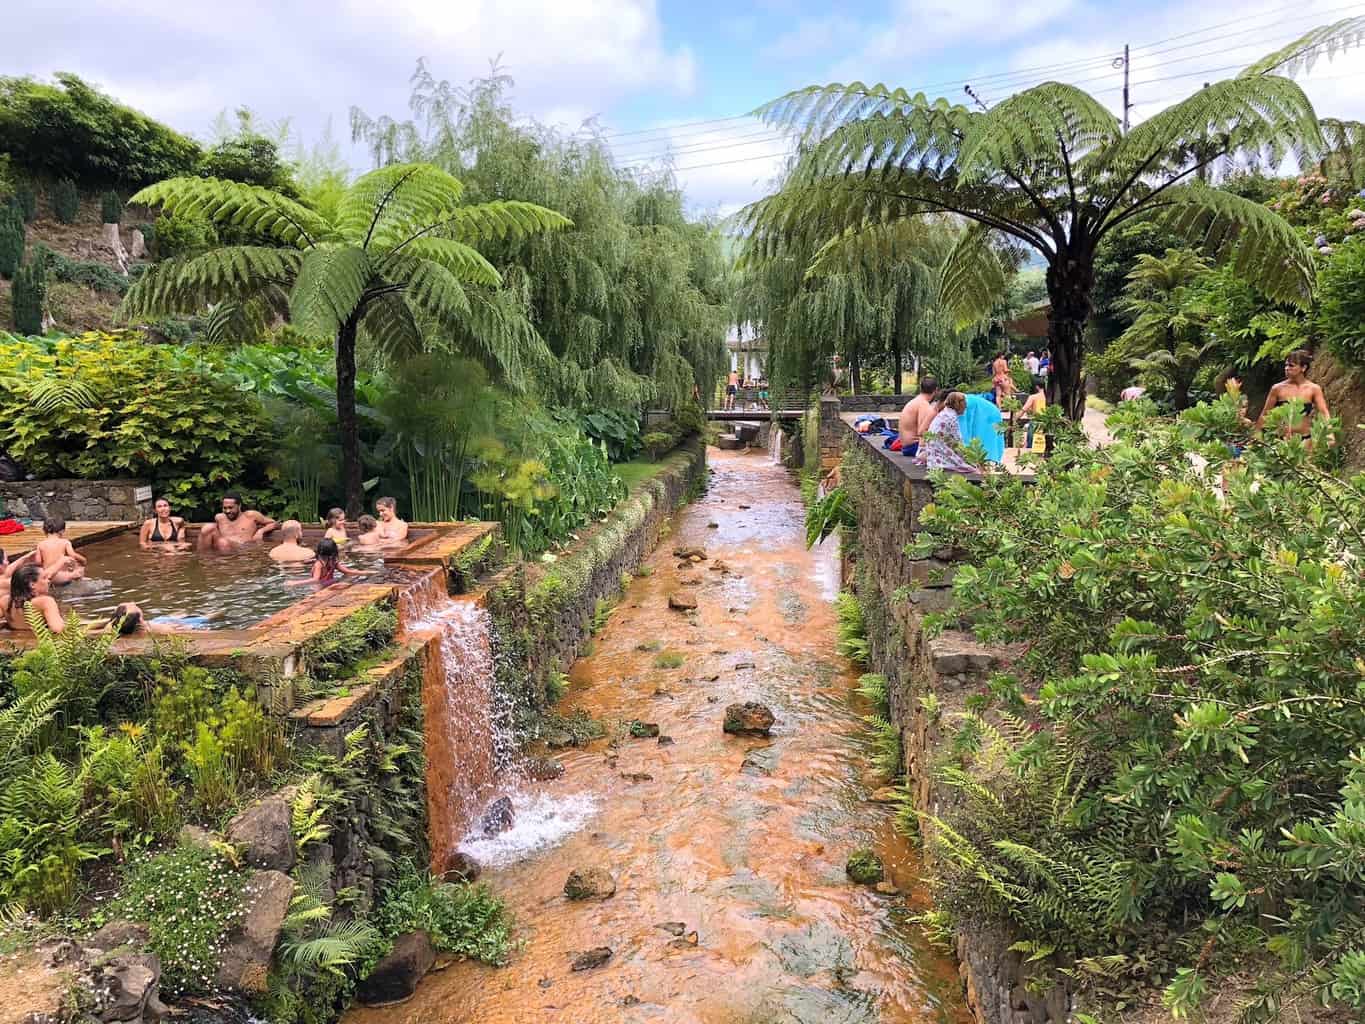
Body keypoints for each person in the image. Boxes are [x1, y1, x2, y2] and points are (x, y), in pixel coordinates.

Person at [1256, 349, 1331, 442]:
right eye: (1286, 365)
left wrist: (1330, 433)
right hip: (1282, 441)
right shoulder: (1277, 388)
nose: (1287, 368)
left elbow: (1324, 413)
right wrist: (1256, 436)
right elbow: (1265, 414)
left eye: (1291, 365)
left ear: (1303, 368)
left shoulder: (1313, 389)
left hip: (1305, 440)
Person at [918, 392, 978, 475]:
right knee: (973, 469)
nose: (966, 406)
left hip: (933, 454)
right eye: (965, 404)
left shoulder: (945, 413)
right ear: (959, 404)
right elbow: (958, 443)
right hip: (939, 454)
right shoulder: (952, 418)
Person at [197, 492, 277, 552]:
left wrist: (260, 531)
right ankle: (203, 559)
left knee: (223, 542)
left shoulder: (251, 515)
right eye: (225, 508)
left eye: (231, 507)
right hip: (223, 549)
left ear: (239, 506)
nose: (227, 511)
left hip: (243, 549)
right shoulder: (219, 517)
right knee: (208, 527)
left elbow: (274, 523)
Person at [2, 563, 65, 633]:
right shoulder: (45, 602)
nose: (48, 581)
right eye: (44, 578)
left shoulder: (4, 601)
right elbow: (58, 630)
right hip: (39, 642)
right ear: (32, 584)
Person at [290, 538, 367, 586]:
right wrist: (295, 583)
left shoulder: (333, 562)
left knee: (347, 577)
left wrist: (367, 572)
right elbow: (315, 580)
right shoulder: (319, 564)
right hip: (318, 586)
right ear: (334, 552)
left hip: (329, 583)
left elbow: (348, 572)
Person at [34, 516, 87, 585]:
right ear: (62, 531)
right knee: (78, 570)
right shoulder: (65, 542)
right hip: (62, 576)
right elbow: (72, 555)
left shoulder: (41, 544)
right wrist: (83, 560)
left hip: (48, 576)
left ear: (44, 530)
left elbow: (38, 562)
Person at [898, 376, 939, 457]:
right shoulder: (924, 405)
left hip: (906, 445)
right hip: (912, 447)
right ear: (936, 390)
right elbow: (923, 432)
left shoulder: (915, 401)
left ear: (921, 388)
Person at [1018, 376, 1047, 450]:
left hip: (1035, 423)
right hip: (1046, 423)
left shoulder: (1033, 397)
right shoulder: (1048, 396)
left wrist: (1016, 418)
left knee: (1031, 446)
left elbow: (1024, 409)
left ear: (1037, 387)